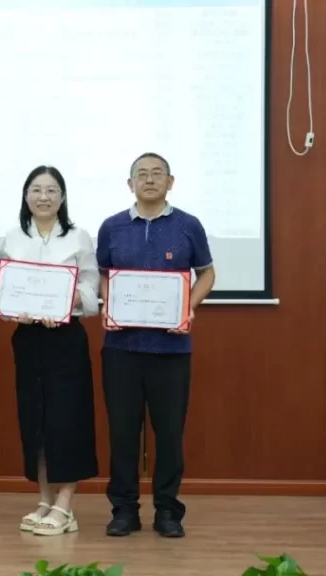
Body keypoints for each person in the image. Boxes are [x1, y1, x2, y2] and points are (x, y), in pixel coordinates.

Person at [95, 152, 215, 538]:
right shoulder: (111, 227)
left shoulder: (187, 226)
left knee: (168, 433)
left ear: (170, 182)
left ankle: (168, 511)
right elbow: (104, 276)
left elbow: (207, 274)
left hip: (171, 352)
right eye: (141, 175)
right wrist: (107, 305)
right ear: (130, 184)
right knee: (123, 433)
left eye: (157, 174)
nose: (149, 180)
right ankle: (124, 510)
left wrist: (187, 307)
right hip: (121, 349)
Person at [0, 166, 100, 537]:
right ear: (26, 196)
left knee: (67, 421)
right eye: (36, 189)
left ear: (62, 197)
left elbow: (93, 293)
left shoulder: (78, 237)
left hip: (65, 339)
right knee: (35, 419)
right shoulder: (12, 237)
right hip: (28, 339)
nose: (44, 196)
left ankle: (66, 505)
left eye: (51, 190)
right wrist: (14, 310)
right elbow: (6, 292)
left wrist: (72, 297)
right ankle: (44, 498)